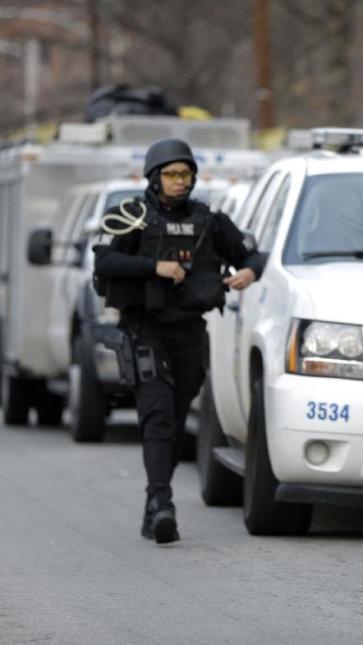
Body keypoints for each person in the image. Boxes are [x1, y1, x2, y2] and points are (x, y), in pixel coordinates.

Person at [93, 138, 263, 545]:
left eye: (185, 174)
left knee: (176, 412)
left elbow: (252, 255)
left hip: (188, 330)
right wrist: (155, 267)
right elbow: (104, 261)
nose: (179, 182)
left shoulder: (209, 221)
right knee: (158, 414)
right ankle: (161, 503)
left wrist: (249, 273)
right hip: (145, 328)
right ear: (154, 178)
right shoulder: (131, 217)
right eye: (171, 174)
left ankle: (155, 502)